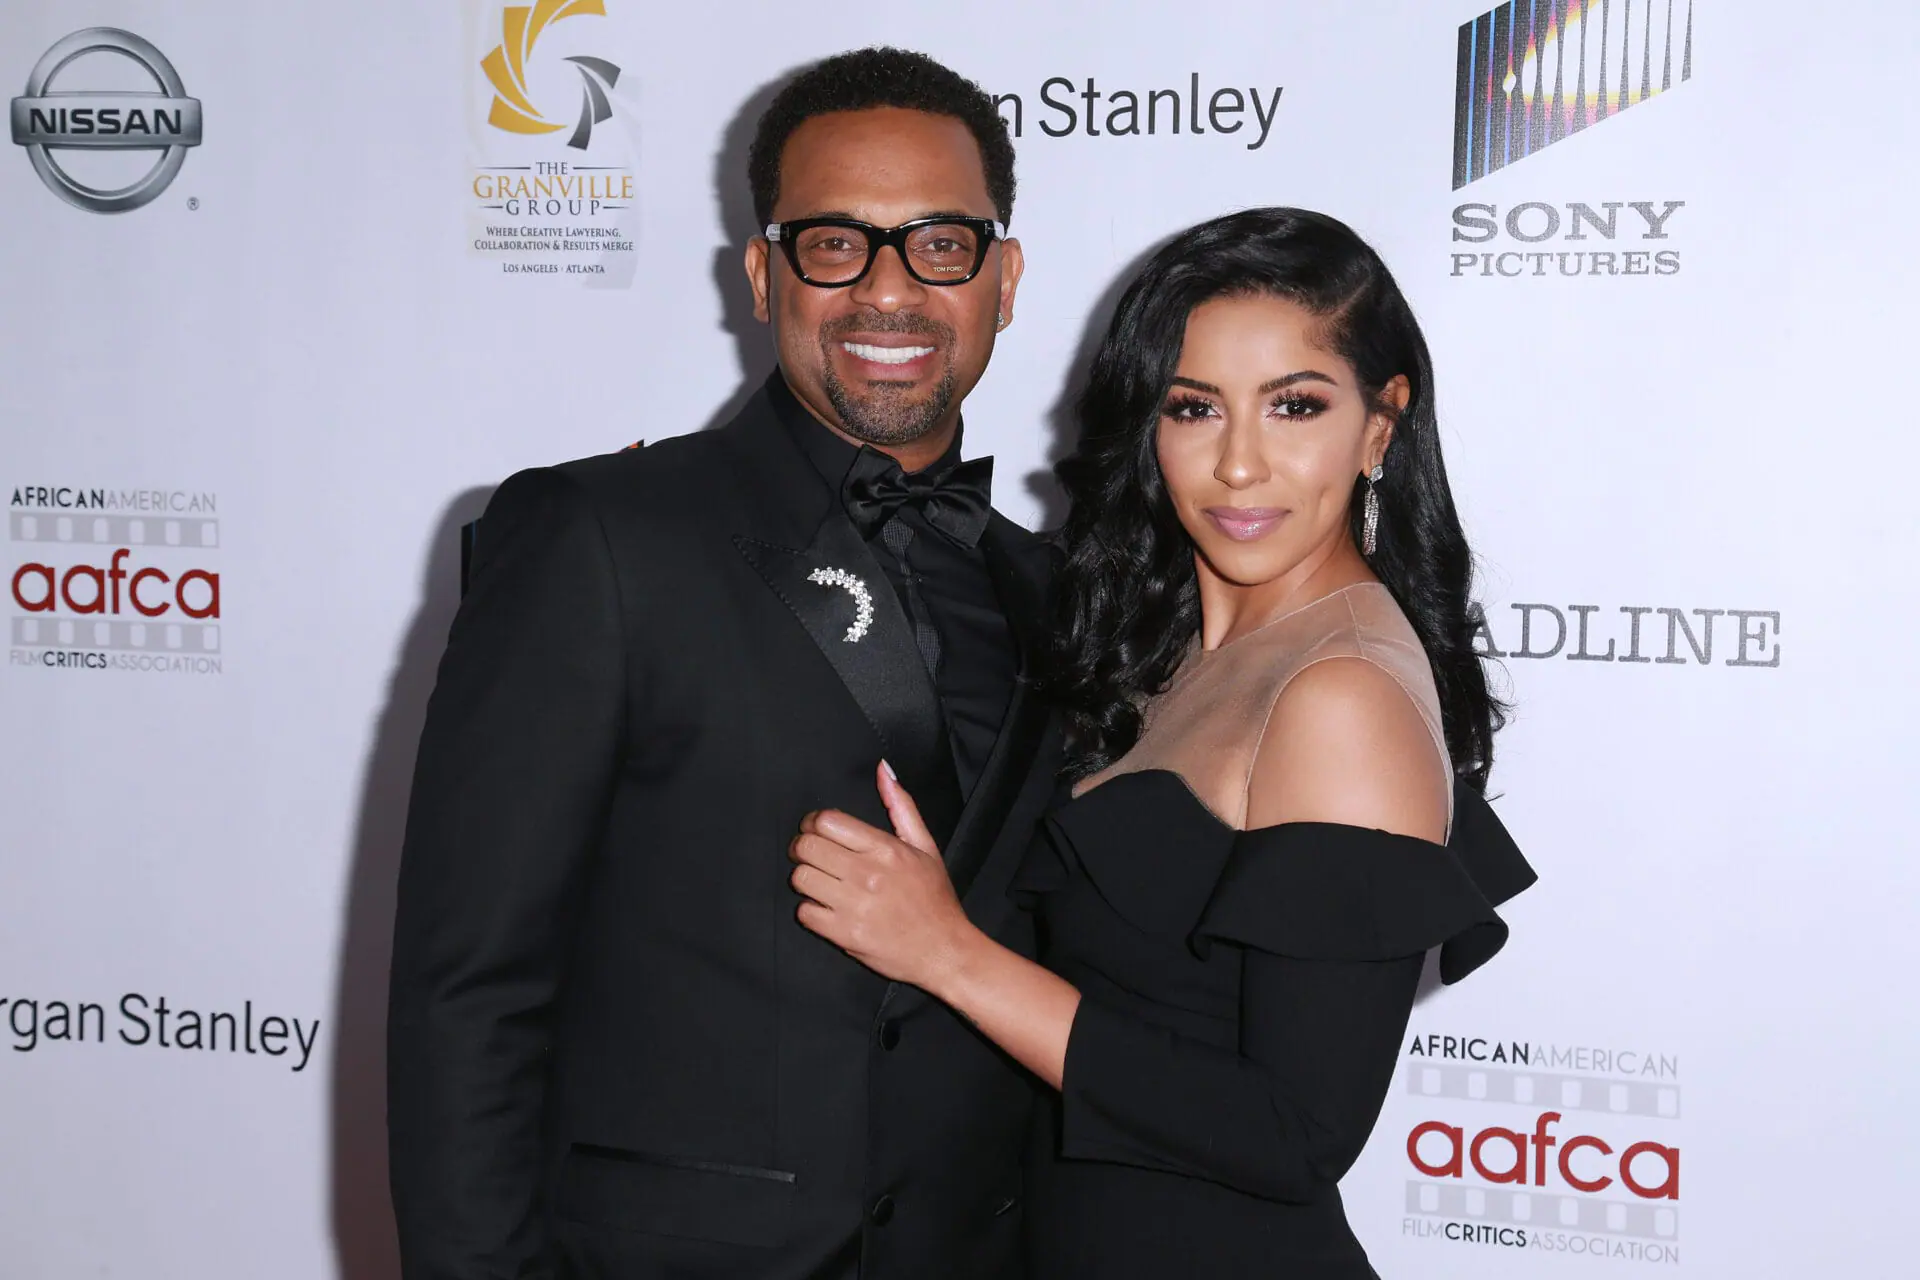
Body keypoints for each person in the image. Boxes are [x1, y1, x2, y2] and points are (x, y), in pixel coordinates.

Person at [386, 48, 1058, 1280]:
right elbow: (467, 995)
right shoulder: (598, 536)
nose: (888, 291)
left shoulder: (1057, 589)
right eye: (835, 243)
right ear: (764, 273)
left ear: (1003, 279)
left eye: (940, 245)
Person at [788, 207, 1538, 1278]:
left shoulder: (1341, 692)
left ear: (1381, 424)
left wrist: (950, 955)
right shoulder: (1186, 639)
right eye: (1195, 407)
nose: (1240, 465)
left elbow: (1294, 1130)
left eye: (1295, 406)